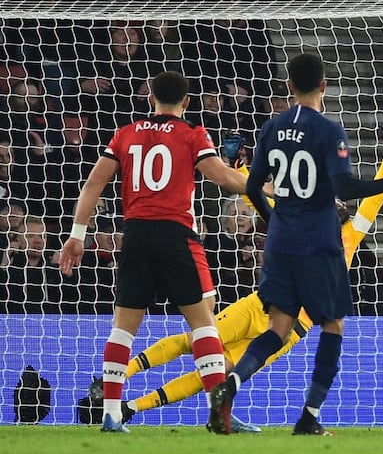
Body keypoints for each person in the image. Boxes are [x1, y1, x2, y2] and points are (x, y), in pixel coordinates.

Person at [118, 112, 383, 430]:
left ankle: (132, 407)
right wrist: (238, 166)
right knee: (196, 342)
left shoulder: (351, 235)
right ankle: (120, 375)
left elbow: (375, 199)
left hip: (291, 330)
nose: (338, 202)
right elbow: (256, 199)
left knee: (221, 371)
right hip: (261, 306)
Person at [206, 55, 383, 435]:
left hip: (280, 245)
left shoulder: (271, 128)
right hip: (319, 245)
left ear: (289, 87)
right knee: (333, 326)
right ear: (324, 87)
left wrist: (272, 218)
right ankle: (309, 416)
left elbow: (249, 187)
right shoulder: (329, 132)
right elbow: (346, 188)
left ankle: (230, 384)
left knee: (277, 328)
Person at [57, 71, 250, 433]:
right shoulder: (193, 134)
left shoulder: (125, 134)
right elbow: (221, 177)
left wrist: (77, 235)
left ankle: (111, 414)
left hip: (136, 236)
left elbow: (93, 184)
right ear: (187, 102)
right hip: (175, 236)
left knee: (123, 329)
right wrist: (263, 187)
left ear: (150, 99)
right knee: (203, 323)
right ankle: (218, 415)